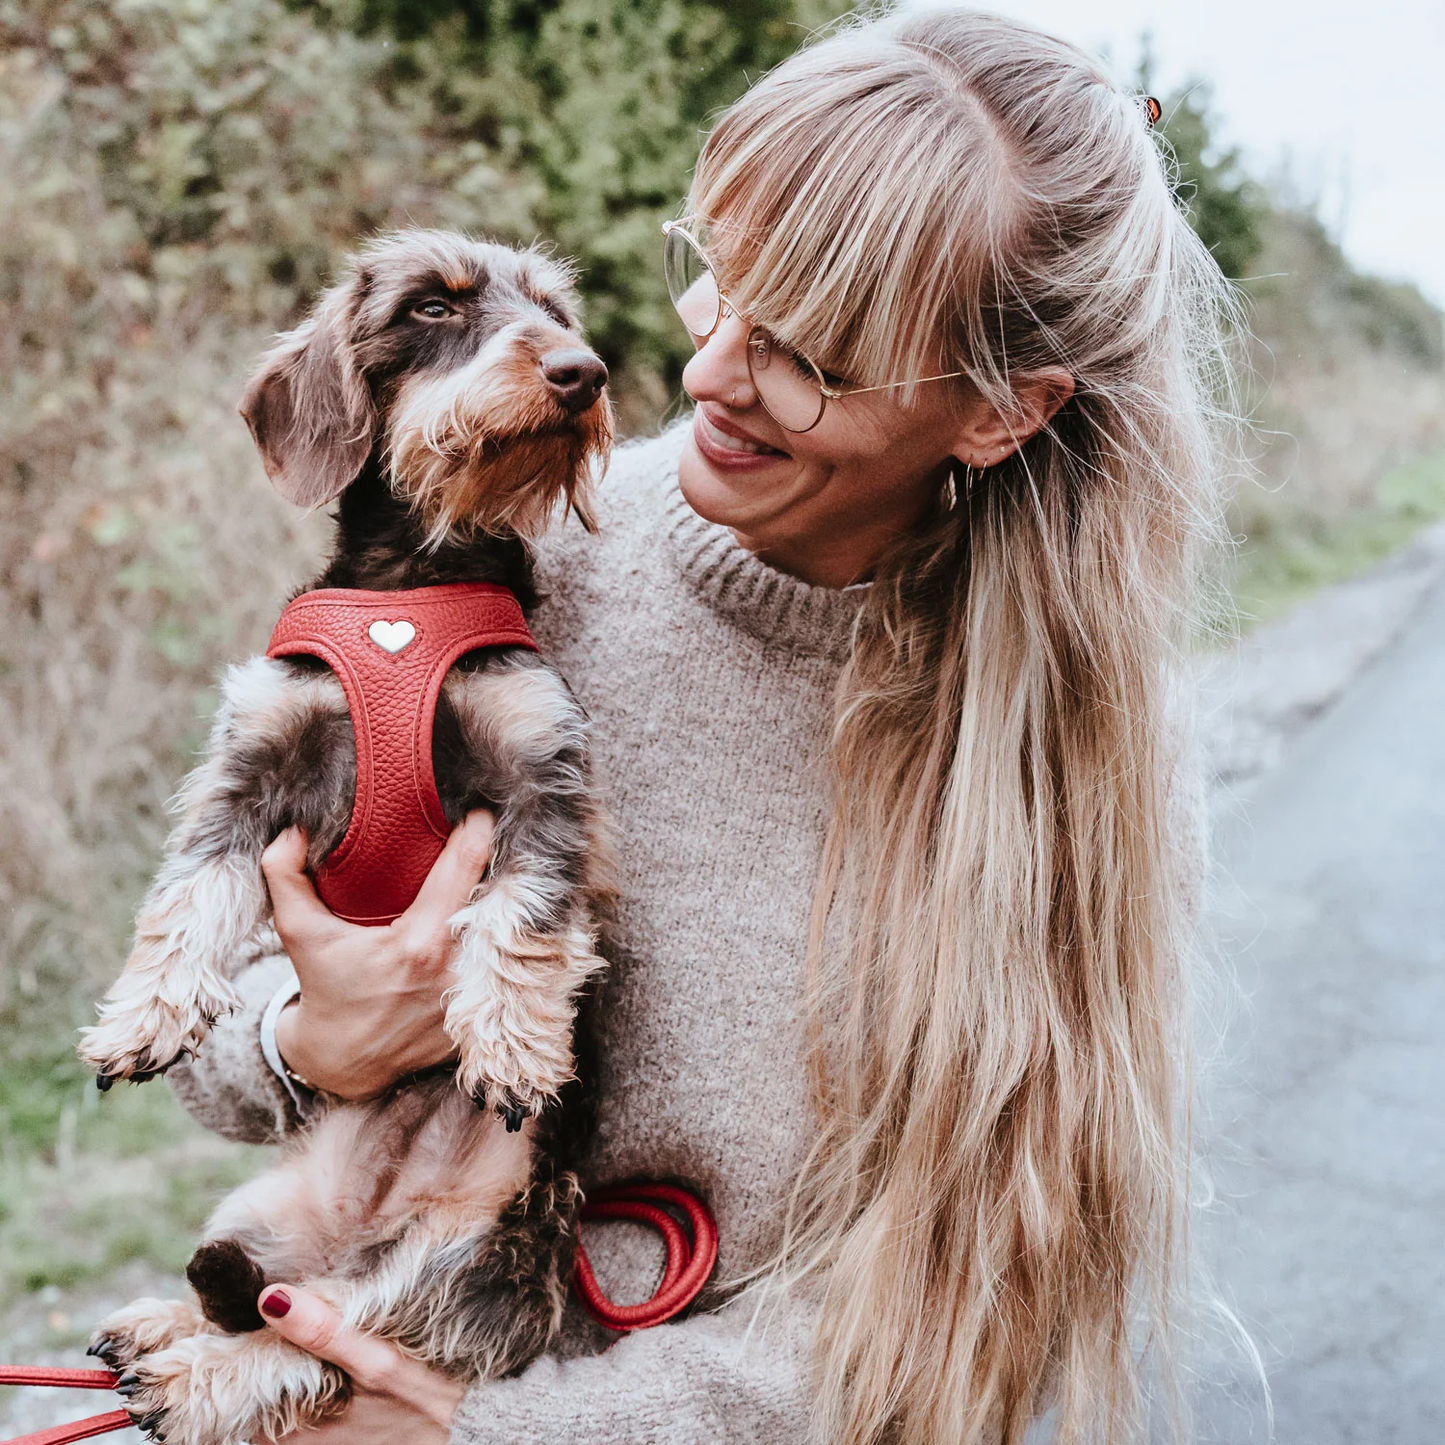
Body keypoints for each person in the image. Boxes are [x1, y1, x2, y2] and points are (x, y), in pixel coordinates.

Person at [170, 8, 1235, 1443]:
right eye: (715, 277)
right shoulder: (512, 559)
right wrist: (319, 1040)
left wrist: (482, 1435)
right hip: (301, 1381)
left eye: (811, 354)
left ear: (998, 411)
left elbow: (978, 1297)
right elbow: (206, 1040)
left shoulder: (1076, 762)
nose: (709, 371)